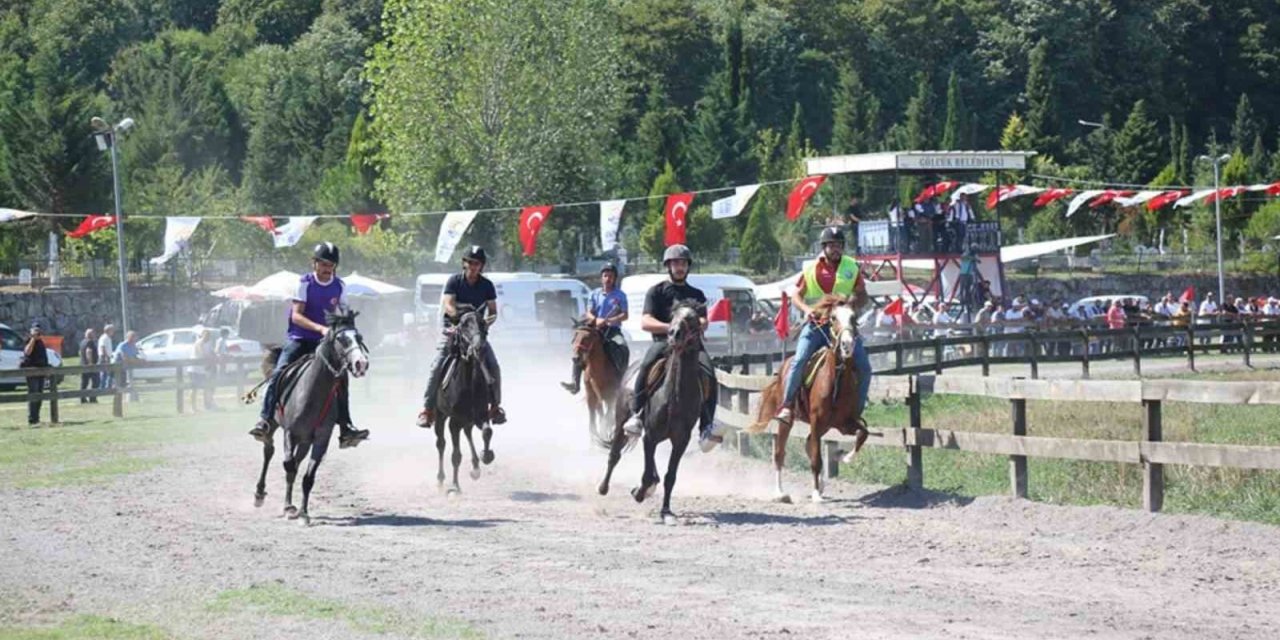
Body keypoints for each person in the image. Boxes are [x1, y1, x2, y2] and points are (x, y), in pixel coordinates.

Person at [250, 243, 369, 448]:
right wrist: (321, 329)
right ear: (314, 263)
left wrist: (348, 333)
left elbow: (343, 313)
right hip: (300, 339)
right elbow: (296, 315)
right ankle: (265, 419)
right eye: (322, 263)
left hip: (325, 343)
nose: (326, 268)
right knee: (279, 373)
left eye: (330, 264)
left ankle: (346, 428)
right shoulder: (304, 283)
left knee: (342, 379)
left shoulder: (339, 286)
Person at [619, 244, 722, 451]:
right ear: (668, 266)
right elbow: (645, 322)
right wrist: (673, 328)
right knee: (647, 364)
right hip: (664, 343)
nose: (680, 267)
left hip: (692, 346)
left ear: (688, 266)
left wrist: (695, 326)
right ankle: (637, 414)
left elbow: (703, 320)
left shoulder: (697, 294)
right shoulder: (656, 291)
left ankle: (706, 426)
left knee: (709, 372)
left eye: (683, 263)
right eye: (675, 263)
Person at [772, 227, 872, 429]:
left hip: (842, 326)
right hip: (816, 326)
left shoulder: (852, 267)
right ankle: (787, 405)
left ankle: (856, 413)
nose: (836, 249)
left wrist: (853, 302)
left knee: (865, 368)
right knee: (799, 360)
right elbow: (796, 295)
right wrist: (807, 309)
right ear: (824, 247)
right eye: (832, 245)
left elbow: (863, 294)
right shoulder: (810, 270)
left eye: (839, 245)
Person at [416, 245, 507, 427]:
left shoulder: (487, 286)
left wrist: (484, 324)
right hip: (454, 331)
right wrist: (458, 318)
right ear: (464, 263)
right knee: (437, 366)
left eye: (477, 263)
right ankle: (427, 410)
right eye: (470, 262)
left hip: (476, 335)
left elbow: (493, 312)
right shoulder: (454, 281)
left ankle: (495, 407)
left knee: (494, 366)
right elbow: (448, 304)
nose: (473, 266)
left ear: (482, 266)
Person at [562, 262, 630, 394]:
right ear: (601, 278)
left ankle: (621, 379)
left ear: (615, 278)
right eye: (605, 276)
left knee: (622, 346)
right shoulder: (594, 294)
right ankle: (575, 382)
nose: (608, 279)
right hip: (595, 330)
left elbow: (625, 315)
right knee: (580, 347)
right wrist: (595, 319)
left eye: (610, 276)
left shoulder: (620, 295)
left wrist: (610, 320)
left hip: (613, 330)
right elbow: (589, 312)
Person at [21, 322, 50, 425]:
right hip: (32, 372)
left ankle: (37, 417)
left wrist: (46, 370)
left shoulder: (41, 342)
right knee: (33, 394)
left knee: (40, 395)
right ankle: (32, 419)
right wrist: (33, 338)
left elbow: (44, 357)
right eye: (35, 330)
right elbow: (27, 352)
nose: (38, 333)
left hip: (41, 372)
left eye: (39, 331)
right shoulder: (28, 340)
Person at [112, 330, 144, 402]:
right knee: (120, 383)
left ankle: (129, 399)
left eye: (135, 337)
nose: (134, 339)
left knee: (128, 382)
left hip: (128, 367)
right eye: (133, 337)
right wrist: (136, 361)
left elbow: (136, 356)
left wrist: (141, 360)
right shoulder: (123, 345)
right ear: (128, 337)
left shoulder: (133, 346)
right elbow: (125, 358)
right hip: (119, 368)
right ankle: (120, 399)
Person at [79, 327, 99, 403]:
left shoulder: (82, 342)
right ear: (91, 334)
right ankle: (92, 398)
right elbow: (89, 351)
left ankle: (82, 398)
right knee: (96, 382)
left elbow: (80, 353)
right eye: (93, 333)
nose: (95, 335)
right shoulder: (90, 342)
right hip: (90, 366)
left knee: (84, 383)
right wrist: (90, 363)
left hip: (83, 365)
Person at [98, 324, 116, 389]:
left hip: (108, 357)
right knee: (104, 373)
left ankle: (108, 386)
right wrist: (106, 357)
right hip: (104, 357)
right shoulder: (104, 338)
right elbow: (102, 347)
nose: (113, 332)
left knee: (109, 372)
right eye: (112, 330)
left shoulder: (108, 338)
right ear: (108, 330)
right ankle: (102, 387)